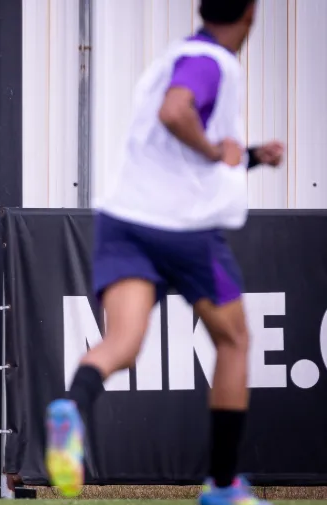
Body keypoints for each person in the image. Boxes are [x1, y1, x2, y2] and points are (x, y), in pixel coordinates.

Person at [45, 1, 285, 504]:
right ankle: (222, 487)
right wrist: (216, 150)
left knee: (123, 344)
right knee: (235, 341)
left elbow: (175, 150)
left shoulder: (171, 59)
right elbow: (176, 113)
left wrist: (251, 157)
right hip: (183, 229)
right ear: (251, 14)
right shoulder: (211, 62)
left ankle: (71, 405)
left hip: (126, 221)